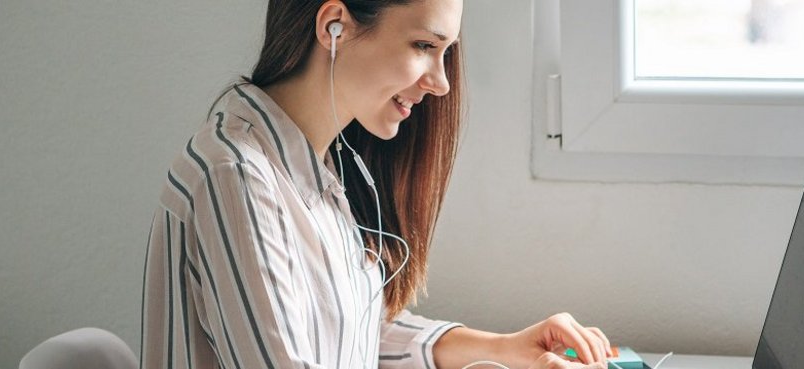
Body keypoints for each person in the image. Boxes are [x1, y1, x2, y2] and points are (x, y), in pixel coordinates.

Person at [141, 1, 612, 368]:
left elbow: (349, 332)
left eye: (444, 52)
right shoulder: (237, 177)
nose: (443, 83)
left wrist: (507, 348)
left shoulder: (319, 165)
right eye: (425, 46)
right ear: (334, 26)